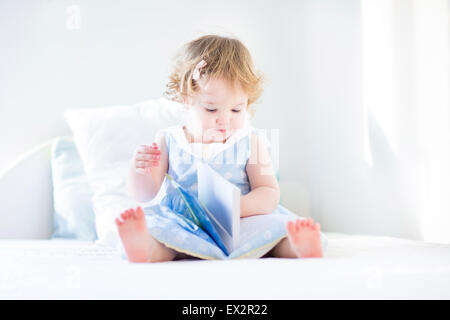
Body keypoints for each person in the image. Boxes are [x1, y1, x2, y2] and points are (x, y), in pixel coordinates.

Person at [115, 34, 327, 262]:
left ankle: (297, 247)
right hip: (185, 223)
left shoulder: (250, 141)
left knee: (274, 230)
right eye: (211, 109)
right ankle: (144, 247)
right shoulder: (169, 139)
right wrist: (139, 169)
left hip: (240, 221)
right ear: (186, 98)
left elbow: (268, 192)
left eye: (236, 110)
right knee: (161, 233)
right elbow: (145, 194)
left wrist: (239, 207)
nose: (225, 120)